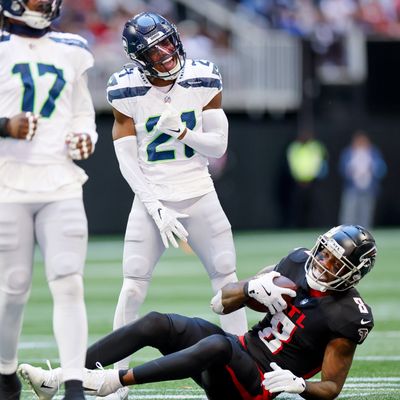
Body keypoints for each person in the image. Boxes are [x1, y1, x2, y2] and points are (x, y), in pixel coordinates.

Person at [19, 224, 376, 400]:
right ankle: (66, 375)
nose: (323, 262)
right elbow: (222, 302)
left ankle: (111, 381)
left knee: (220, 347)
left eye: (335, 260)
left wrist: (300, 386)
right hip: (239, 351)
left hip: (255, 387)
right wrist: (252, 287)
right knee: (160, 323)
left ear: (354, 272)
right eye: (324, 251)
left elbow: (331, 387)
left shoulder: (347, 315)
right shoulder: (297, 262)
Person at [100, 12, 248, 398]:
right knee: (132, 285)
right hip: (152, 196)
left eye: (167, 42)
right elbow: (127, 160)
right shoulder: (125, 88)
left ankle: (249, 370)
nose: (166, 53)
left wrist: (183, 131)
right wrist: (155, 207)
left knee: (227, 281)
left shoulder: (204, 75)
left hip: (199, 190)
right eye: (154, 50)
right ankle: (115, 380)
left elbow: (218, 146)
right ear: (138, 58)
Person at [0, 1, 98, 399]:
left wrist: (85, 136)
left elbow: (82, 112)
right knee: (13, 286)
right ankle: (5, 372)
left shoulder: (71, 47)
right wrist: (5, 125)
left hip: (61, 181)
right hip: (8, 183)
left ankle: (74, 382)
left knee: (69, 281)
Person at [338, 130, 387, 229]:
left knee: (366, 214)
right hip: (352, 188)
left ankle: (364, 236)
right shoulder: (348, 152)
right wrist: (351, 170)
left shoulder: (373, 152)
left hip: (368, 188)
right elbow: (342, 169)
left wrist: (371, 168)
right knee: (349, 214)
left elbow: (382, 169)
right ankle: (346, 233)